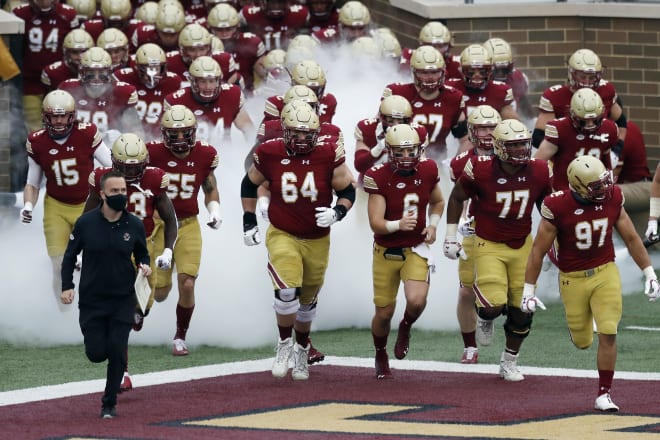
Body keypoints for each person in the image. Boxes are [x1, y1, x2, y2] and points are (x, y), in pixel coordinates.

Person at [524, 155, 659, 412]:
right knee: (583, 341)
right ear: (578, 186)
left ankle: (604, 393)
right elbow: (536, 251)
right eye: (596, 186)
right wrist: (528, 290)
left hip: (605, 271)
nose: (604, 189)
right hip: (572, 277)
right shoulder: (557, 205)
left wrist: (649, 273)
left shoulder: (613, 197)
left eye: (604, 183)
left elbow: (631, 238)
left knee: (608, 331)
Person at [240, 103, 356, 380]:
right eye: (296, 133)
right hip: (283, 232)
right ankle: (283, 344)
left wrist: (337, 212)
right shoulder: (269, 151)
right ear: (284, 131)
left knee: (307, 303)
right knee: (287, 291)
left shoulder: (328, 154)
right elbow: (249, 183)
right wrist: (249, 221)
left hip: (317, 237)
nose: (302, 140)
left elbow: (347, 189)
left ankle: (302, 348)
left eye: (307, 134)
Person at [443, 119, 553, 381]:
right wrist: (449, 236)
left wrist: (553, 246)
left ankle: (509, 361)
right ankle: (485, 316)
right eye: (514, 146)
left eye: (524, 145)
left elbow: (548, 209)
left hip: (522, 244)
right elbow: (457, 197)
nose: (521, 151)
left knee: (523, 309)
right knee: (493, 304)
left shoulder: (538, 169)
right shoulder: (480, 169)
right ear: (500, 147)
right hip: (488, 242)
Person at [84, 132, 178, 390]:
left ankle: (137, 314)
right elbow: (87, 216)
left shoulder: (155, 179)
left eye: (135, 167)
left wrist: (168, 250)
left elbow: (170, 219)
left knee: (141, 307)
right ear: (114, 163)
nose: (130, 173)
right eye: (125, 168)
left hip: (143, 245)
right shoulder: (102, 179)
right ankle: (122, 372)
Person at [61, 170, 152, 419]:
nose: (120, 196)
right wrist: (66, 285)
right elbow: (69, 256)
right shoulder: (86, 223)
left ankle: (109, 404)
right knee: (96, 353)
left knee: (116, 349)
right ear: (102, 194)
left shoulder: (134, 224)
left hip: (123, 299)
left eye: (123, 191)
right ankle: (104, 377)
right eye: (114, 192)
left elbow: (143, 253)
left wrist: (145, 265)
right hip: (92, 300)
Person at [363, 123, 444, 379]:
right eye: (401, 152)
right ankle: (380, 351)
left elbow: (438, 201)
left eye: (412, 151)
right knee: (383, 313)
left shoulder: (429, 168)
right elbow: (375, 223)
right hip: (386, 251)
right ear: (390, 151)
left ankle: (406, 325)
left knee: (417, 300)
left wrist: (432, 224)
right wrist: (398, 224)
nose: (407, 157)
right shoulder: (378, 175)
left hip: (416, 247)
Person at [21, 89, 111, 310]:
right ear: (45, 116)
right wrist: (28, 205)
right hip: (56, 207)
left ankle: (97, 308)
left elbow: (110, 167)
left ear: (72, 116)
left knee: (98, 261)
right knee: (59, 265)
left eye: (62, 115)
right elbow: (32, 182)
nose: (58, 120)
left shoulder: (87, 133)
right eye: (54, 115)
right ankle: (64, 311)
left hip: (88, 205)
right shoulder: (37, 141)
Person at [146, 104, 222, 356]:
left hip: (188, 224)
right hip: (160, 226)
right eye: (174, 134)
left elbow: (210, 188)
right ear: (164, 134)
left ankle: (180, 336)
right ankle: (138, 309)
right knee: (160, 293)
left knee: (187, 283)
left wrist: (215, 210)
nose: (180, 139)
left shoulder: (204, 154)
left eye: (184, 133)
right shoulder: (152, 153)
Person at [448, 105, 502, 363]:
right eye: (483, 127)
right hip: (473, 231)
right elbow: (458, 199)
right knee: (465, 291)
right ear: (472, 130)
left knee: (510, 295)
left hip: (505, 231)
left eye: (493, 127)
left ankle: (489, 317)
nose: (489, 133)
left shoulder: (513, 156)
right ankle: (470, 346)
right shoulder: (461, 162)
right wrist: (456, 226)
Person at [382, 45, 469, 162]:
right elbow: (379, 130)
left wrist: (456, 162)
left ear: (443, 71)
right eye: (424, 73)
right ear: (413, 71)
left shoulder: (453, 98)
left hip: (436, 163)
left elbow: (465, 139)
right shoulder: (397, 93)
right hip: (399, 163)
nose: (430, 78)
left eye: (435, 72)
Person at [533, 48, 626, 155]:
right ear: (571, 74)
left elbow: (621, 121)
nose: (587, 82)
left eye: (592, 77)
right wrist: (563, 148)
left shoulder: (606, 90)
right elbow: (538, 136)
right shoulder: (555, 96)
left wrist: (617, 150)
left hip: (598, 160)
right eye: (582, 77)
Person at [12, 0, 78, 133]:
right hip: (31, 81)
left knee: (61, 122)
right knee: (34, 126)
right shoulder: (20, 13)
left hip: (57, 80)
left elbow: (75, 46)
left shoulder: (68, 14)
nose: (44, 2)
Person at [534, 87, 616, 191]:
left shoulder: (609, 128)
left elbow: (607, 162)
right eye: (583, 121)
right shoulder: (560, 128)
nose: (590, 125)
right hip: (564, 190)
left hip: (595, 190)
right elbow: (537, 163)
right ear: (572, 114)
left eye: (595, 120)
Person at [58, 46, 142, 147]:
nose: (96, 78)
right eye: (91, 73)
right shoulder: (68, 89)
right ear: (82, 72)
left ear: (109, 72)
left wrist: (123, 137)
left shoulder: (122, 92)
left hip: (110, 149)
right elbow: (55, 127)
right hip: (76, 148)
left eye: (102, 73)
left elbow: (137, 131)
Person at [164, 56, 255, 145]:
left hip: (225, 155)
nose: (208, 87)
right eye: (202, 81)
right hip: (191, 156)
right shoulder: (176, 101)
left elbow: (249, 132)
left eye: (212, 81)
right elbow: (168, 139)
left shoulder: (231, 95)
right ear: (192, 81)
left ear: (219, 80)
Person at [113, 43, 183, 142]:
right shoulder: (123, 77)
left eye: (156, 68)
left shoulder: (173, 82)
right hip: (128, 138)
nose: (152, 73)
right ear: (137, 67)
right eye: (148, 68)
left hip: (160, 138)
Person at [446, 43, 519, 138]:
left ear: (490, 71)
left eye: (483, 71)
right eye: (471, 71)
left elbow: (513, 126)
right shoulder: (451, 88)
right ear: (461, 70)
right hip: (456, 141)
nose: (477, 75)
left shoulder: (500, 91)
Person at [207, 3, 267, 92]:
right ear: (211, 28)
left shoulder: (250, 42)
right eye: (219, 30)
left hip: (247, 96)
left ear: (237, 26)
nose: (224, 34)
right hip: (211, 94)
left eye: (228, 29)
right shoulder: (205, 45)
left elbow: (265, 74)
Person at [483, 37, 534, 121]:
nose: (500, 73)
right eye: (496, 70)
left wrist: (531, 122)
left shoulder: (518, 78)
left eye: (505, 69)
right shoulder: (478, 81)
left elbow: (524, 104)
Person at [239, 0, 309, 51]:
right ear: (264, 3)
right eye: (272, 3)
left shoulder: (298, 14)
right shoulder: (250, 14)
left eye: (280, 3)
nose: (276, 7)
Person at [41, 28, 95, 93]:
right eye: (75, 52)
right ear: (67, 53)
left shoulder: (100, 70)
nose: (80, 57)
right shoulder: (54, 72)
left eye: (84, 51)